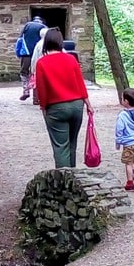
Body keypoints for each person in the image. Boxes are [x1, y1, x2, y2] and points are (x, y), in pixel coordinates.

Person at [33, 28, 94, 168]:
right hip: (77, 105)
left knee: (61, 147)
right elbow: (80, 83)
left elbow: (42, 90)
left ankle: (64, 181)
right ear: (61, 42)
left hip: (56, 108)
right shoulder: (71, 59)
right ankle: (74, 179)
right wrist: (88, 104)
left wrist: (43, 107)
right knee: (72, 144)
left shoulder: (42, 63)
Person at [18, 16, 46, 101]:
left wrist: (18, 52)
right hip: (39, 53)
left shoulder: (27, 25)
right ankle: (36, 97)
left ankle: (26, 90)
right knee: (38, 73)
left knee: (24, 72)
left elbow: (20, 39)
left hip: (26, 53)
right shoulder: (44, 28)